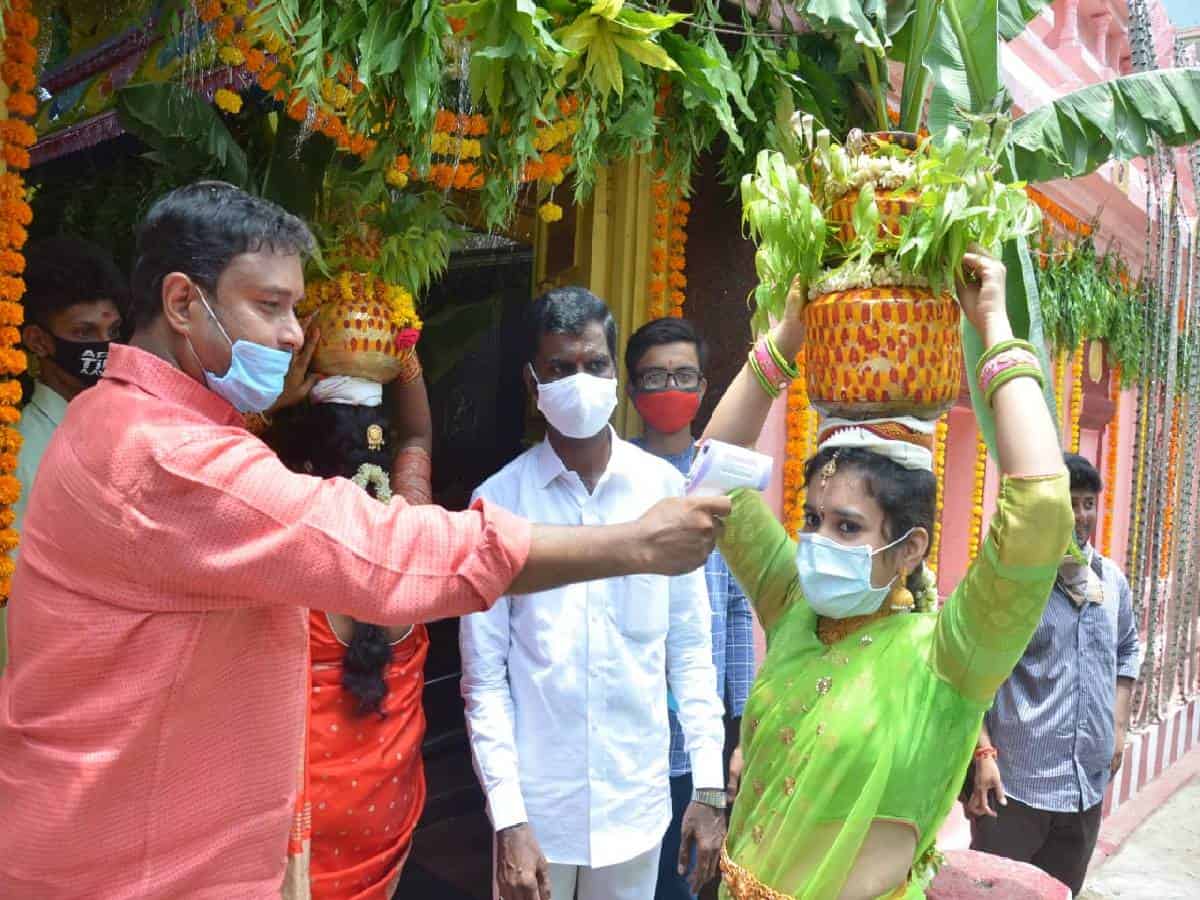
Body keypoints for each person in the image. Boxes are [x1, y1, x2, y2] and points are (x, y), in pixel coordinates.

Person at [0, 182, 729, 899]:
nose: (293, 333)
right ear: (183, 303)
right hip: (134, 866)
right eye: (270, 305)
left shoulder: (131, 423)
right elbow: (386, 554)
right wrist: (630, 546)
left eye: (296, 306)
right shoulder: (161, 454)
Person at [702, 252, 1073, 899]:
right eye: (811, 518)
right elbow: (718, 481)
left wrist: (993, 326)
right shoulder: (795, 607)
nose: (817, 541)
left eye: (847, 527)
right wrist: (786, 340)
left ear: (909, 549)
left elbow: (1040, 509)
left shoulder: (948, 658)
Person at [460, 287, 728, 900]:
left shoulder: (666, 494)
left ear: (615, 373)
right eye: (560, 368)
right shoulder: (497, 504)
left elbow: (691, 653)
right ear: (533, 384)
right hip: (537, 814)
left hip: (635, 806)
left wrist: (709, 788)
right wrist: (509, 818)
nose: (580, 380)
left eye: (595, 364)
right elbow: (485, 681)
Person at [966, 452, 1140, 896]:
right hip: (1016, 786)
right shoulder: (1014, 581)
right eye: (1071, 503)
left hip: (1086, 785)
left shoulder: (1112, 582)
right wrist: (982, 753)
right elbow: (971, 667)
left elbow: (1126, 652)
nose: (1081, 516)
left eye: (1088, 503)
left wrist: (1118, 729)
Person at [624, 316, 756, 900]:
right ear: (631, 392)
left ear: (704, 388)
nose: (670, 388)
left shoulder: (725, 490)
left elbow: (735, 613)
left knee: (681, 887)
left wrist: (742, 733)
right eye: (655, 377)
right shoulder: (614, 478)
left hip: (693, 749)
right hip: (625, 735)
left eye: (683, 375)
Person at [0, 237, 126, 676]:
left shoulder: (126, 427)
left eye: (112, 332)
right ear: (38, 341)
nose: (103, 346)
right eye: (83, 333)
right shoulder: (15, 452)